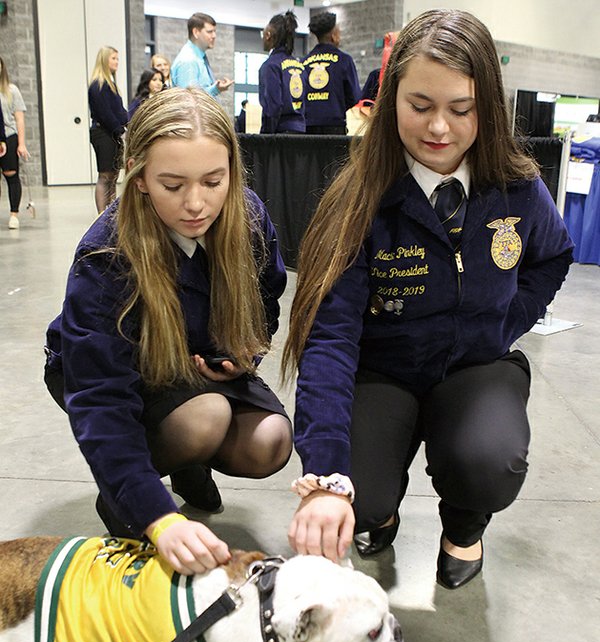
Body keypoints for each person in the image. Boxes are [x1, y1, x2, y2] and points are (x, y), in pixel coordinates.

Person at [282, 9, 573, 589]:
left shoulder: (516, 186)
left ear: (487, 106)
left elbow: (552, 255)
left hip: (475, 367)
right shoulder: (359, 199)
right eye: (420, 106)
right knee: (354, 491)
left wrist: (504, 324)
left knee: (488, 461)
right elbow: (331, 341)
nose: (439, 127)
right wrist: (327, 478)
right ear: (388, 101)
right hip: (384, 372)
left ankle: (463, 528)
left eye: (461, 110)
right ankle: (381, 508)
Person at [44, 88, 292, 575]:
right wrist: (155, 516)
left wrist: (243, 356)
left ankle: (186, 464)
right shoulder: (106, 255)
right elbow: (101, 400)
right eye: (172, 185)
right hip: (117, 371)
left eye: (213, 181)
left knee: (271, 440)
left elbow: (265, 299)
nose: (197, 204)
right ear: (138, 177)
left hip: (200, 359)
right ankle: (125, 497)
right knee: (206, 419)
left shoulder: (249, 217)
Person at [303, 11, 361, 135]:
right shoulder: (344, 60)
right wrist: (336, 105)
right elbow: (355, 96)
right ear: (333, 35)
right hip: (335, 125)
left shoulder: (303, 62)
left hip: (307, 127)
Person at [88, 46, 128, 213]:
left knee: (113, 176)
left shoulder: (111, 85)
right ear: (104, 60)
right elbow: (105, 114)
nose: (116, 62)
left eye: (117, 58)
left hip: (113, 134)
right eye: (113, 58)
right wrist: (121, 131)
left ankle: (111, 211)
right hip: (103, 134)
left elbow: (119, 111)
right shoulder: (98, 85)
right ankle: (101, 214)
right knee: (105, 176)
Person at [259, 11, 305, 134]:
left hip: (281, 132)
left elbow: (273, 106)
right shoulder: (298, 65)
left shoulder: (271, 66)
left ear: (268, 35)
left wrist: (266, 135)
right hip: (301, 130)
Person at [170, 13, 233, 97]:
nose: (214, 36)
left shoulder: (199, 58)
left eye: (214, 31)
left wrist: (216, 89)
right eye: (209, 32)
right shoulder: (188, 61)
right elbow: (190, 100)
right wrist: (215, 90)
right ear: (196, 32)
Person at [0, 56, 30, 229]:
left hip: (9, 136)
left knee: (11, 175)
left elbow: (19, 119)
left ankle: (14, 214)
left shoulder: (11, 90)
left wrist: (21, 143)